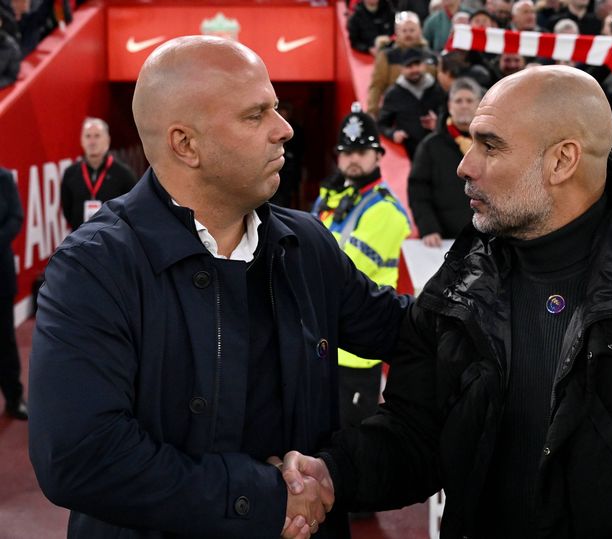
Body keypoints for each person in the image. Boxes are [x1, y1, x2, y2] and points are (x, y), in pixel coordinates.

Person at [280, 65, 612, 538]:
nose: (464, 166)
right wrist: (335, 474)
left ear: (562, 161)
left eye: (490, 145)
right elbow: (417, 433)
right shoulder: (460, 284)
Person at [28, 35, 409, 539]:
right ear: (186, 145)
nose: (284, 129)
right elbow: (80, 457)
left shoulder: (307, 243)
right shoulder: (94, 267)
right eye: (256, 115)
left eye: (276, 108)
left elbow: (408, 332)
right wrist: (269, 498)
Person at [312, 103, 410, 430]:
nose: (353, 158)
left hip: (357, 351)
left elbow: (334, 268)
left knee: (350, 447)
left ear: (379, 155)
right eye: (346, 151)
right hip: (325, 344)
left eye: (362, 151)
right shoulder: (330, 199)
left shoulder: (386, 210)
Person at [408, 77, 482, 246]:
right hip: (445, 241)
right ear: (449, 106)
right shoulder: (430, 146)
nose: (464, 105)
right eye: (458, 101)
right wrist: (428, 227)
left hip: (489, 239)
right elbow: (418, 190)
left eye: (469, 100)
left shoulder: (493, 146)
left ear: (479, 105)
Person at [60, 118, 138, 231]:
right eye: (88, 136)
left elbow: (132, 210)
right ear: (81, 140)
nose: (92, 142)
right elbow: (67, 210)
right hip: (80, 240)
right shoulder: (70, 174)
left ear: (107, 140)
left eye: (97, 136)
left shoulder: (124, 175)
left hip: (114, 240)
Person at [377, 47, 445, 158]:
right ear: (401, 69)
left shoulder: (438, 89)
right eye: (409, 66)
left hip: (437, 151)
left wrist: (438, 124)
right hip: (409, 154)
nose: (414, 69)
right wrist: (393, 134)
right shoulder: (393, 94)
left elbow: (448, 117)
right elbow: (381, 124)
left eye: (417, 64)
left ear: (424, 65)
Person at [0, 167, 26, 420]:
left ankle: (14, 398)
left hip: (1, 273)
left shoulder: (4, 178)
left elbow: (15, 217)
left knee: (5, 339)